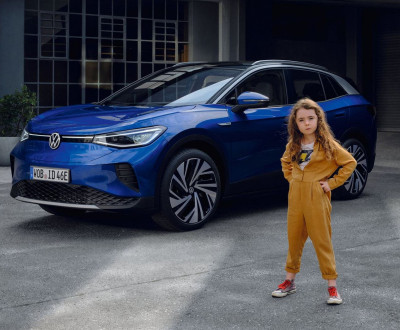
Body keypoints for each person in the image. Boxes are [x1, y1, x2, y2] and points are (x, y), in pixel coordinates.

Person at [272, 98, 357, 305]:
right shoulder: (294, 144)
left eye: (311, 118)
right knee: (294, 239)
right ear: (296, 123)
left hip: (316, 197)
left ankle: (332, 287)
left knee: (322, 240)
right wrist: (291, 178)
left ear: (318, 119)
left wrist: (332, 183)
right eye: (301, 120)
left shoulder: (328, 145)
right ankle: (289, 282)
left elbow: (350, 162)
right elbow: (285, 162)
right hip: (296, 196)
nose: (307, 123)